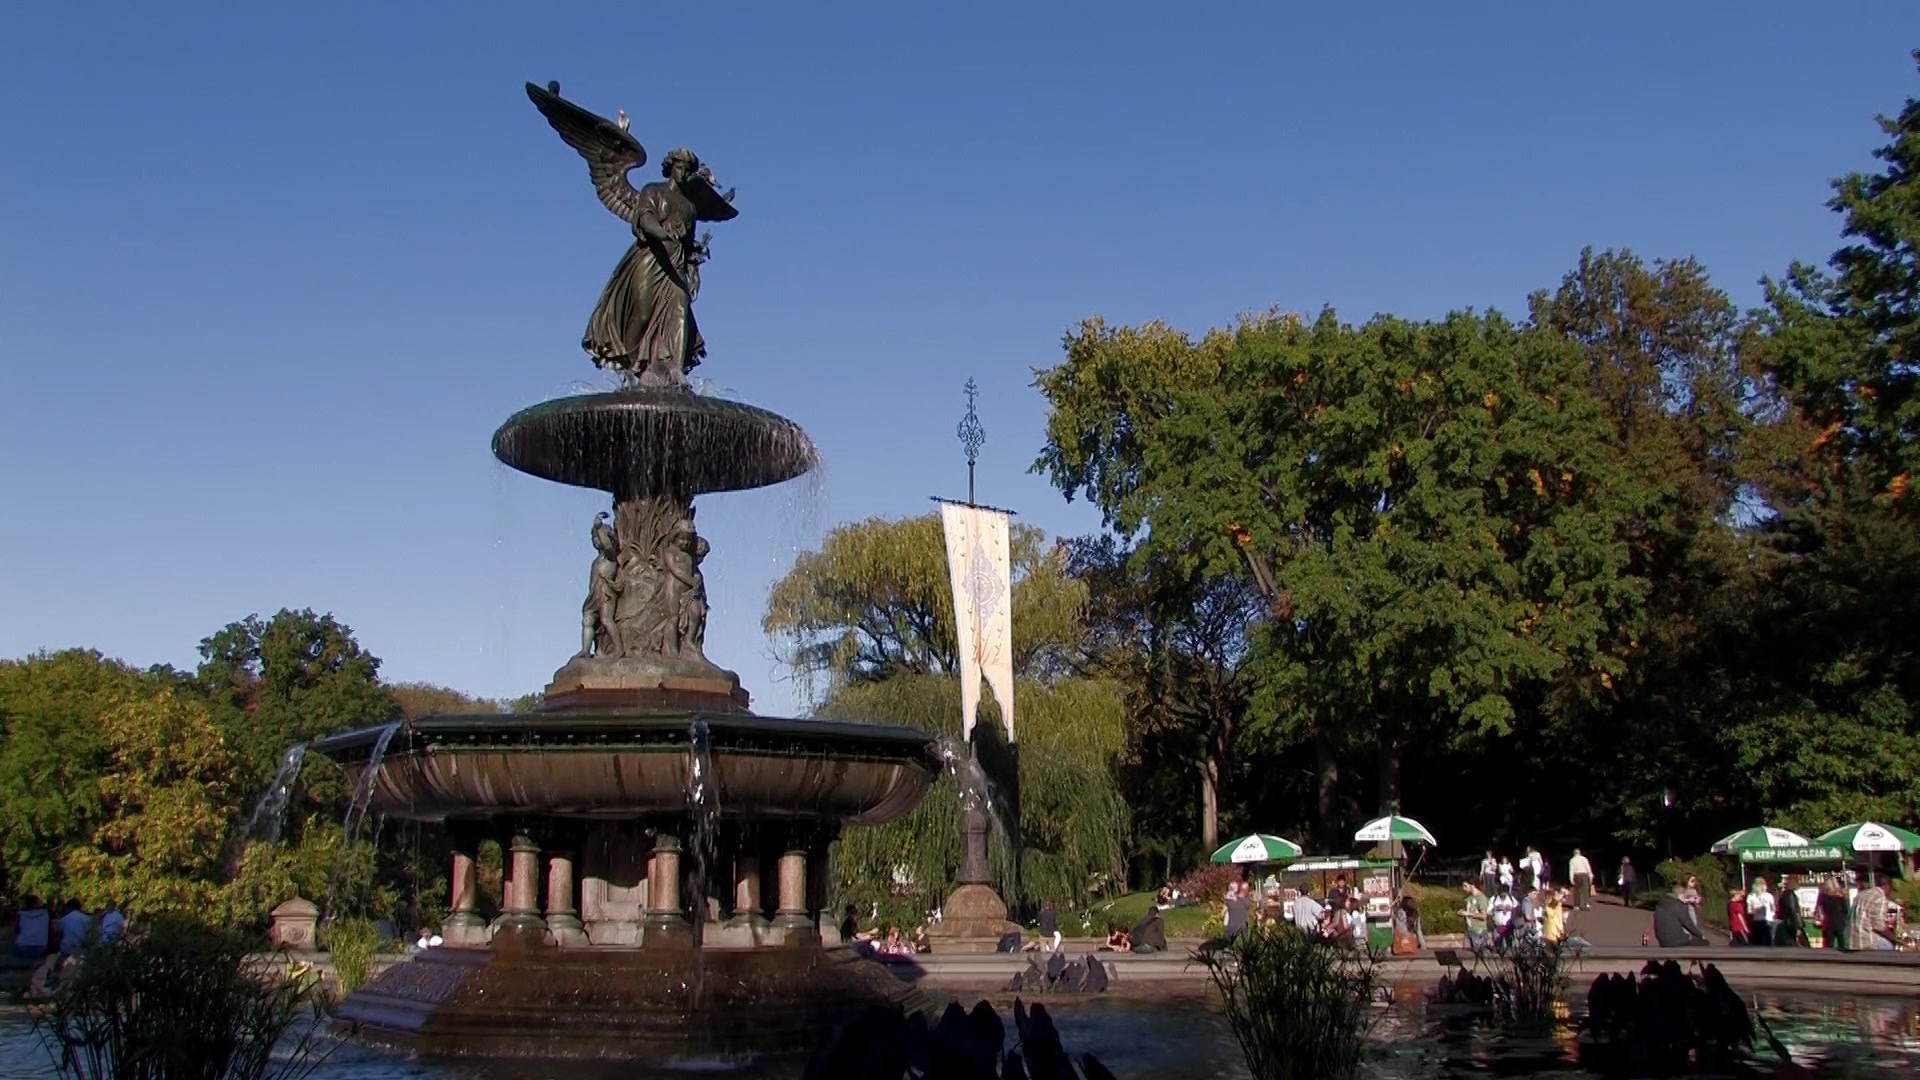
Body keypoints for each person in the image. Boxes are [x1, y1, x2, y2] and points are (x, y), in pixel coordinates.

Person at [1818, 879, 1850, 951]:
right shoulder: (1840, 898)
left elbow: (1819, 908)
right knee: (1842, 943)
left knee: (1828, 944)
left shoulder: (1823, 897)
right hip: (1839, 922)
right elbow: (1846, 910)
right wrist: (1845, 897)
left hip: (1828, 922)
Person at [1746, 877, 1777, 948]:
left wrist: (1755, 911)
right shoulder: (1769, 896)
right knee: (1767, 941)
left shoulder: (1750, 896)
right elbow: (1773, 909)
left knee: (1757, 943)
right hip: (1768, 921)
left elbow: (1749, 911)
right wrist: (1771, 915)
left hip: (1756, 921)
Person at [1459, 882, 1491, 952]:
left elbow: (1483, 916)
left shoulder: (1481, 898)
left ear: (1472, 885)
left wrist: (1468, 914)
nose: (1464, 889)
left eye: (1465, 886)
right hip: (1469, 929)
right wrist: (1462, 912)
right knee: (1467, 955)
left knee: (1482, 955)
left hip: (1478, 930)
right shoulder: (1469, 898)